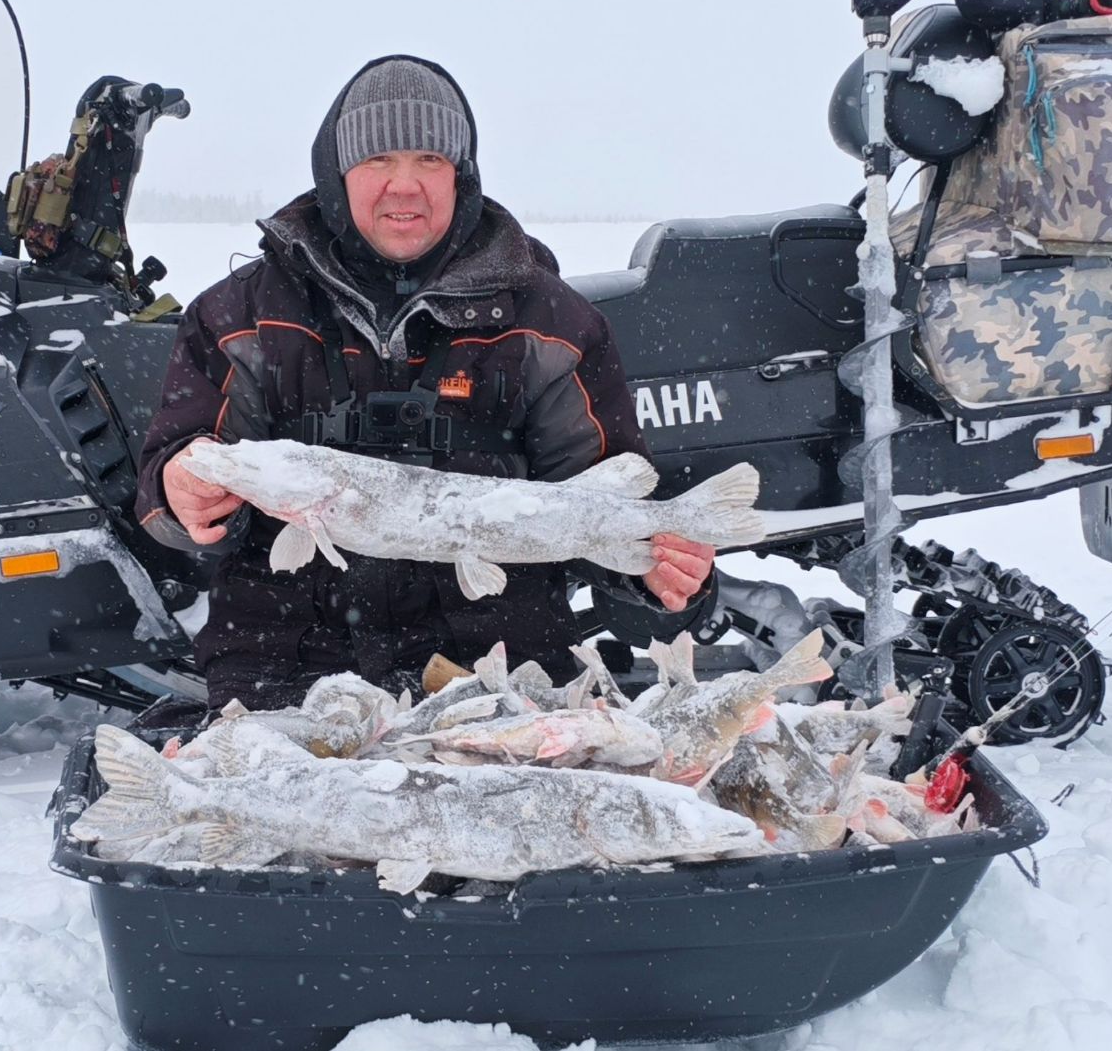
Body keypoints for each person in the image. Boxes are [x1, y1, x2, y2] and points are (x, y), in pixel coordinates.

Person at [135, 55, 716, 710]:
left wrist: (660, 568)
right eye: (378, 160)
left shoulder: (552, 326)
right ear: (337, 172)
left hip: (498, 665)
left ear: (461, 175)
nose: (404, 187)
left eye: (429, 161)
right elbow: (166, 498)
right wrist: (178, 489)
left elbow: (603, 493)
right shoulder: (237, 317)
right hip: (286, 666)